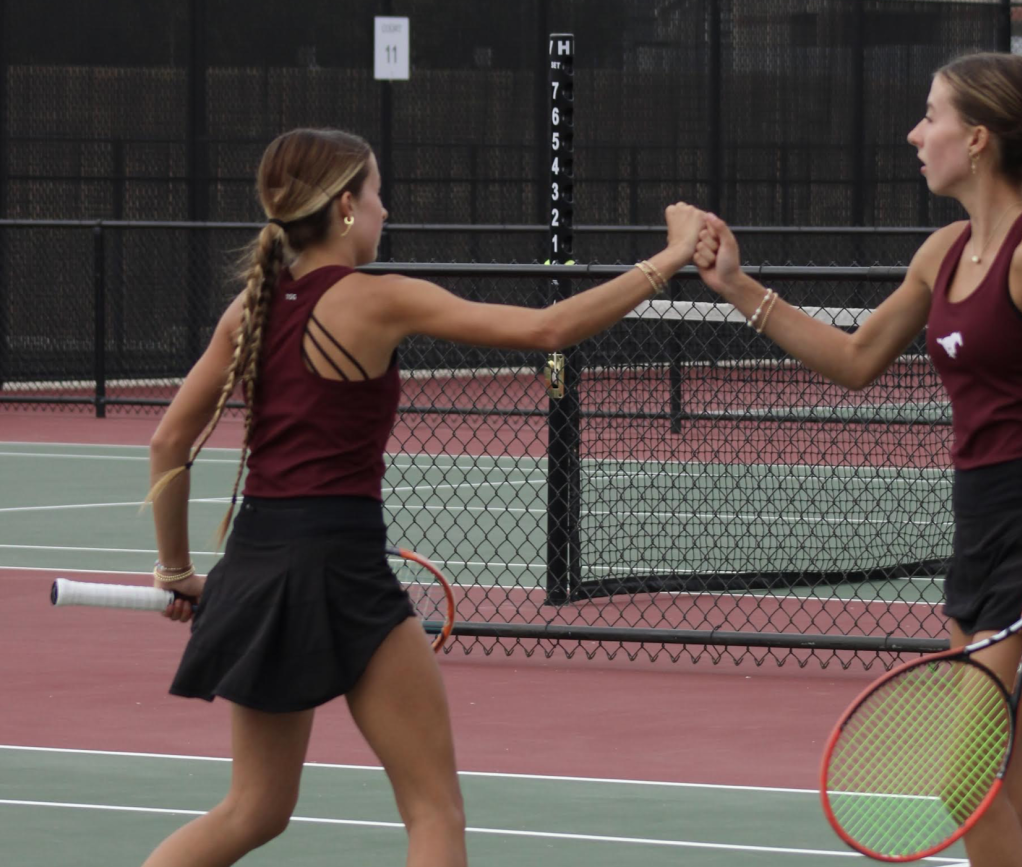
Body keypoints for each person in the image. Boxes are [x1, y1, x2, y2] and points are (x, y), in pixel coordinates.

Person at [141, 127, 707, 867]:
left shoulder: (249, 310)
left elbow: (166, 446)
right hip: (339, 567)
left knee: (253, 810)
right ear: (345, 207)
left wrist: (174, 571)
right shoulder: (376, 301)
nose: (387, 211)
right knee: (434, 810)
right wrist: (668, 257)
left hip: (256, 561)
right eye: (378, 194)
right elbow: (550, 328)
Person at [692, 53, 1022, 867]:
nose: (913, 133)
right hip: (979, 524)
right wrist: (736, 284)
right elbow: (857, 358)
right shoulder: (941, 254)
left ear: (975, 139)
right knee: (1009, 791)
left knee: (965, 785)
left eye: (929, 115)